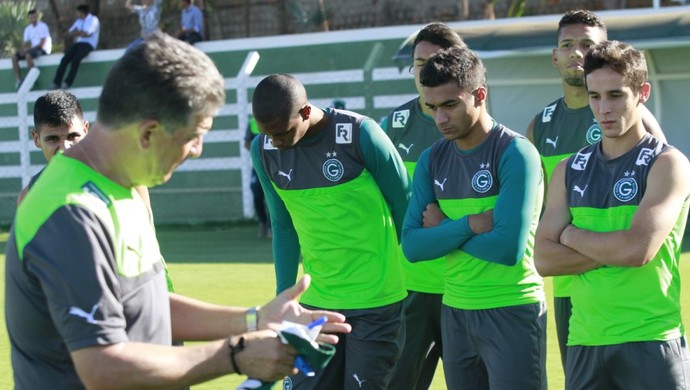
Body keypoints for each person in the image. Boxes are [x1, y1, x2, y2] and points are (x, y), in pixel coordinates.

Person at [5, 32, 351, 389]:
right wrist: (234, 354)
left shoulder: (122, 190)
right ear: (149, 132)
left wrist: (256, 319)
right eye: (193, 135)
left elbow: (145, 306)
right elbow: (102, 368)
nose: (197, 150)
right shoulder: (71, 213)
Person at [534, 40, 690, 389]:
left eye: (616, 95)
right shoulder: (568, 169)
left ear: (642, 92)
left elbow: (637, 251)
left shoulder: (668, 164)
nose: (604, 108)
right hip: (586, 342)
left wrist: (571, 235)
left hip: (651, 339)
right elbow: (543, 259)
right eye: (595, 96)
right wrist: (613, 249)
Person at [250, 73, 411, 389]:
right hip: (315, 305)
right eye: (267, 134)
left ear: (306, 112)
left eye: (282, 133)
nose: (276, 143)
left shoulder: (361, 135)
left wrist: (414, 273)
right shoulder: (263, 149)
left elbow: (404, 203)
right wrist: (285, 296)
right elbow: (283, 225)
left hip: (376, 304)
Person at [403, 46, 546, 389]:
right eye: (432, 107)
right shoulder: (431, 159)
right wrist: (467, 225)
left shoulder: (516, 152)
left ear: (480, 95)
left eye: (450, 105)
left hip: (511, 309)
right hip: (455, 311)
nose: (439, 118)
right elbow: (412, 246)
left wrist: (442, 230)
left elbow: (506, 249)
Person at [383, 22, 466, 390]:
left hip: (464, 284)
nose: (425, 70)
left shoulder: (473, 126)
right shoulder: (393, 126)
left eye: (436, 61)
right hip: (411, 286)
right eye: (419, 62)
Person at [16, 90, 88, 204]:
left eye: (73, 136)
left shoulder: (116, 179)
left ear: (85, 130)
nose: (65, 148)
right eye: (53, 139)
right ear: (36, 139)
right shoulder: (28, 198)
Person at [51, 4, 100, 90]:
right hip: (79, 43)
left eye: (78, 13)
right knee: (64, 59)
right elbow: (70, 33)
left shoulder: (93, 20)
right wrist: (78, 32)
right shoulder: (79, 21)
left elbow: (87, 34)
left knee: (76, 60)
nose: (77, 15)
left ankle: (67, 83)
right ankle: (56, 83)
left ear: (82, 13)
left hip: (88, 44)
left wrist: (77, 33)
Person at [244, 115, 271, 238]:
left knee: (273, 196)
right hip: (259, 166)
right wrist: (258, 149)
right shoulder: (252, 122)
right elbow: (246, 143)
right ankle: (262, 222)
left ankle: (273, 226)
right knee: (256, 192)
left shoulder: (278, 117)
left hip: (274, 166)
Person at [11, 9, 52, 90]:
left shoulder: (43, 26)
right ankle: (19, 80)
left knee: (28, 56)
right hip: (32, 50)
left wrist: (28, 50)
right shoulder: (28, 29)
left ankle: (32, 80)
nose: (32, 19)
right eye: (30, 18)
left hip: (43, 50)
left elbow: (41, 44)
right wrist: (23, 50)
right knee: (14, 57)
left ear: (37, 17)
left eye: (34, 17)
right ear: (28, 18)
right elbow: (25, 43)